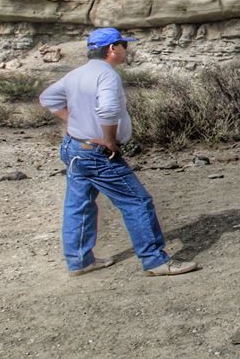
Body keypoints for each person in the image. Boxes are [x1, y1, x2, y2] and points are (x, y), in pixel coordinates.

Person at [39, 28, 198, 277]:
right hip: (96, 153)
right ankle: (155, 261)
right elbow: (108, 110)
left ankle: (79, 261)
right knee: (137, 201)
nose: (127, 49)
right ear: (112, 48)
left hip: (74, 147)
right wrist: (110, 140)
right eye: (124, 45)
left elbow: (48, 98)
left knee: (78, 204)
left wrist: (73, 123)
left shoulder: (76, 74)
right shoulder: (107, 75)